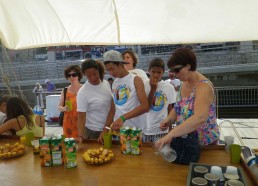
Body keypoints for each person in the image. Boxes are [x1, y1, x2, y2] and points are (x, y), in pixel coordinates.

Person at [156, 48, 220, 148]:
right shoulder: (183, 83)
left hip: (205, 146)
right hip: (188, 143)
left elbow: (200, 117)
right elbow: (177, 108)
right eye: (173, 71)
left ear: (188, 66)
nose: (175, 74)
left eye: (177, 70)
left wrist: (171, 134)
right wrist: (168, 120)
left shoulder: (203, 87)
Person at [100, 50, 148, 138]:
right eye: (108, 70)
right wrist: (106, 127)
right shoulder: (115, 82)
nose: (111, 73)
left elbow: (145, 107)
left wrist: (123, 118)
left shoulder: (136, 79)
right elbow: (114, 108)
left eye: (112, 69)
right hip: (118, 131)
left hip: (135, 131)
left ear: (120, 64)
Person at [77, 59, 113, 141]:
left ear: (99, 71)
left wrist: (107, 127)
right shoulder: (82, 92)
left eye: (94, 74)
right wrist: (80, 136)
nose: (93, 78)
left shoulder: (106, 83)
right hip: (93, 132)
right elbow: (81, 117)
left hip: (109, 128)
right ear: (84, 75)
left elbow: (112, 106)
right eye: (89, 76)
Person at [143, 58, 176, 142]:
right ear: (149, 71)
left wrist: (170, 129)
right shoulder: (144, 84)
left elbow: (170, 108)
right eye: (153, 72)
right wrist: (153, 89)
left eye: (159, 72)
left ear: (163, 72)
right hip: (145, 129)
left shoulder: (169, 87)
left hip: (162, 129)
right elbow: (146, 108)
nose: (156, 75)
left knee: (162, 153)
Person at [58, 65, 83, 138]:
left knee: (84, 145)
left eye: (74, 74)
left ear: (78, 75)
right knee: (69, 145)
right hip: (68, 123)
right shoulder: (65, 90)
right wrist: (64, 108)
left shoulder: (84, 88)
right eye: (69, 75)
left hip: (82, 121)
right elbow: (59, 106)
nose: (71, 77)